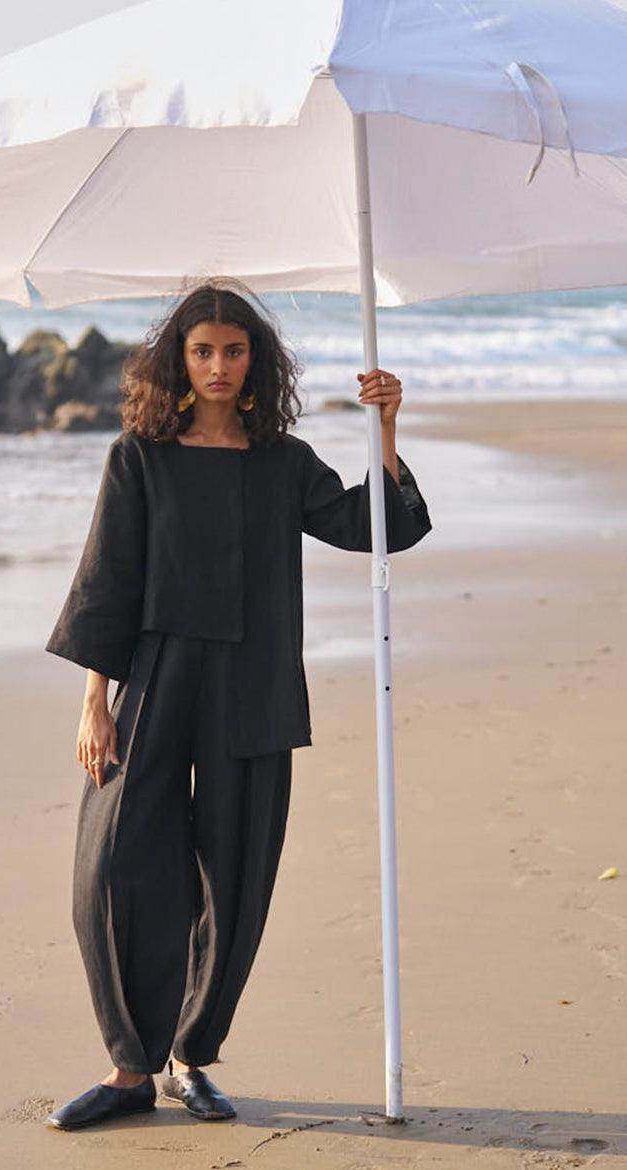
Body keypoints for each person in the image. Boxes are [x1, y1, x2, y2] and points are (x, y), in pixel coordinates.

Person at [44, 279, 432, 1131]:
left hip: (253, 682)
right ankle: (128, 1067)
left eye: (232, 350)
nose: (217, 365)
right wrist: (94, 700)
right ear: (177, 360)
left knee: (236, 875)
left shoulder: (283, 461)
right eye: (202, 351)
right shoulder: (140, 456)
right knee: (111, 866)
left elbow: (372, 527)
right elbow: (106, 580)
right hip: (155, 676)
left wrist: (385, 428)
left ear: (255, 361)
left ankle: (190, 1058)